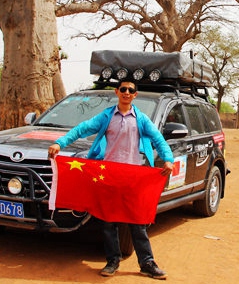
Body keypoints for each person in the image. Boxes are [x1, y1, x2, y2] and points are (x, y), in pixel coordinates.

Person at [47, 79, 174, 280]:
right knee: (108, 222)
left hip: (132, 177)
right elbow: (82, 129)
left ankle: (147, 263)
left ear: (135, 95)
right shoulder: (106, 117)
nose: (126, 92)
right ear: (116, 92)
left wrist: (168, 159)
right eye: (123, 89)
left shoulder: (141, 119)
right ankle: (112, 260)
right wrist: (59, 143)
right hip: (109, 175)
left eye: (130, 90)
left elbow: (158, 139)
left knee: (138, 221)